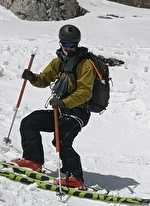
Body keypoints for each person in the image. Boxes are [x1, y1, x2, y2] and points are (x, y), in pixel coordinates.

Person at [13, 24, 96, 190]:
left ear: (77, 44)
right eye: (65, 44)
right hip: (61, 110)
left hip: (78, 112)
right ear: (60, 43)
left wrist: (64, 102)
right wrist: (32, 78)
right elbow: (44, 80)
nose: (68, 48)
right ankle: (33, 161)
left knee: (62, 138)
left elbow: (85, 92)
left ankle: (76, 178)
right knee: (30, 122)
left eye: (72, 45)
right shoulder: (58, 62)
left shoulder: (85, 64)